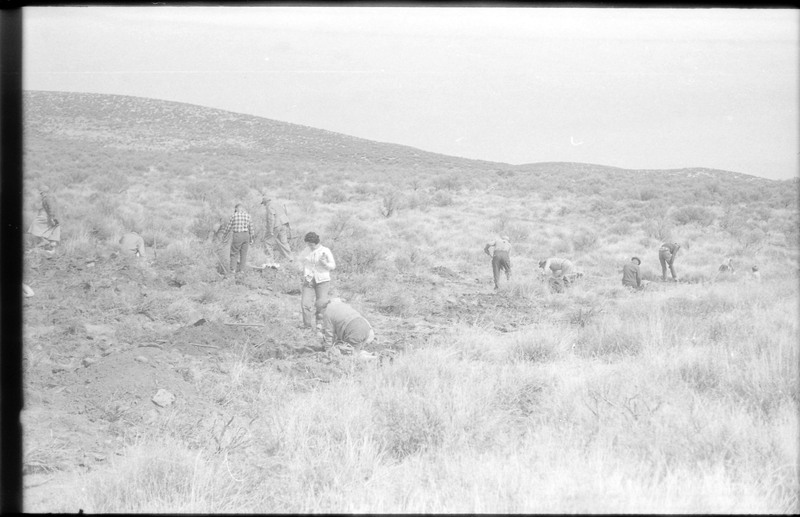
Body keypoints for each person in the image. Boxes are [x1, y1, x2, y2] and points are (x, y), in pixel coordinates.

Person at [299, 232, 336, 330]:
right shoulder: (306, 250)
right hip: (309, 280)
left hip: (323, 281)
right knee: (305, 303)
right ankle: (307, 326)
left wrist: (324, 264)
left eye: (311, 244)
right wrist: (302, 268)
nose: (309, 246)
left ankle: (319, 324)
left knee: (321, 304)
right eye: (308, 244)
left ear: (316, 243)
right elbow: (300, 260)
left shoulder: (325, 250)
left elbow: (332, 266)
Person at [219, 203, 254, 274]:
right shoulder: (248, 216)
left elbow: (228, 227)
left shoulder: (234, 216)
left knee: (234, 253)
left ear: (236, 209)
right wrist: (251, 238)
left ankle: (233, 270)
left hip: (237, 235)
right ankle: (241, 271)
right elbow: (251, 228)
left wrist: (224, 236)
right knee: (243, 254)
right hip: (246, 235)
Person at [261, 195, 293, 268]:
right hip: (284, 224)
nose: (264, 205)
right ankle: (290, 259)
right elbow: (284, 215)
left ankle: (269, 262)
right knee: (283, 242)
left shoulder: (269, 206)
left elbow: (271, 219)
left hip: (276, 225)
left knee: (267, 242)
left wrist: (270, 230)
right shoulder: (277, 204)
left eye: (264, 203)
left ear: (266, 202)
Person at [28, 185, 61, 251]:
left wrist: (52, 217)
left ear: (44, 192)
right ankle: (52, 251)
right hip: (56, 218)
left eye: (41, 193)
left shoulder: (48, 198)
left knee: (35, 224)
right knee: (53, 232)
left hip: (53, 217)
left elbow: (51, 208)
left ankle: (44, 241)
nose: (40, 194)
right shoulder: (51, 196)